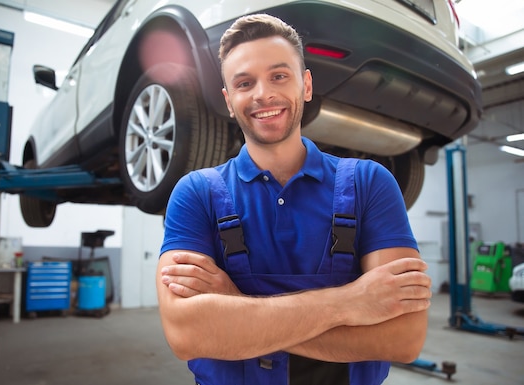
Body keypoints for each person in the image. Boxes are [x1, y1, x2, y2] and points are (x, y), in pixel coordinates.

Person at [156, 13, 432, 385]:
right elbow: (188, 335)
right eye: (244, 82)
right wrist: (352, 302)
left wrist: (236, 305)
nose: (262, 94)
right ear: (228, 100)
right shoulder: (196, 193)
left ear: (305, 85)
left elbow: (402, 339)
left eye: (279, 76)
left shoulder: (370, 184)